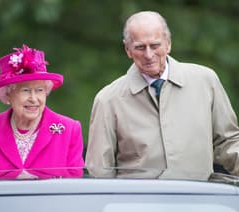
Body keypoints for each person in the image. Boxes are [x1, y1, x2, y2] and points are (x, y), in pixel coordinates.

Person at [85, 11, 239, 180]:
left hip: (198, 201)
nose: (149, 55)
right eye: (140, 47)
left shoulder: (205, 81)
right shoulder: (108, 100)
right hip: (137, 203)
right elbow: (100, 172)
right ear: (128, 50)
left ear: (168, 44)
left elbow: (228, 143)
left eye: (155, 45)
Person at [0, 44, 84, 180]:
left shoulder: (69, 130)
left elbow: (73, 187)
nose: (33, 99)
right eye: (25, 90)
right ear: (8, 94)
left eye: (39, 90)